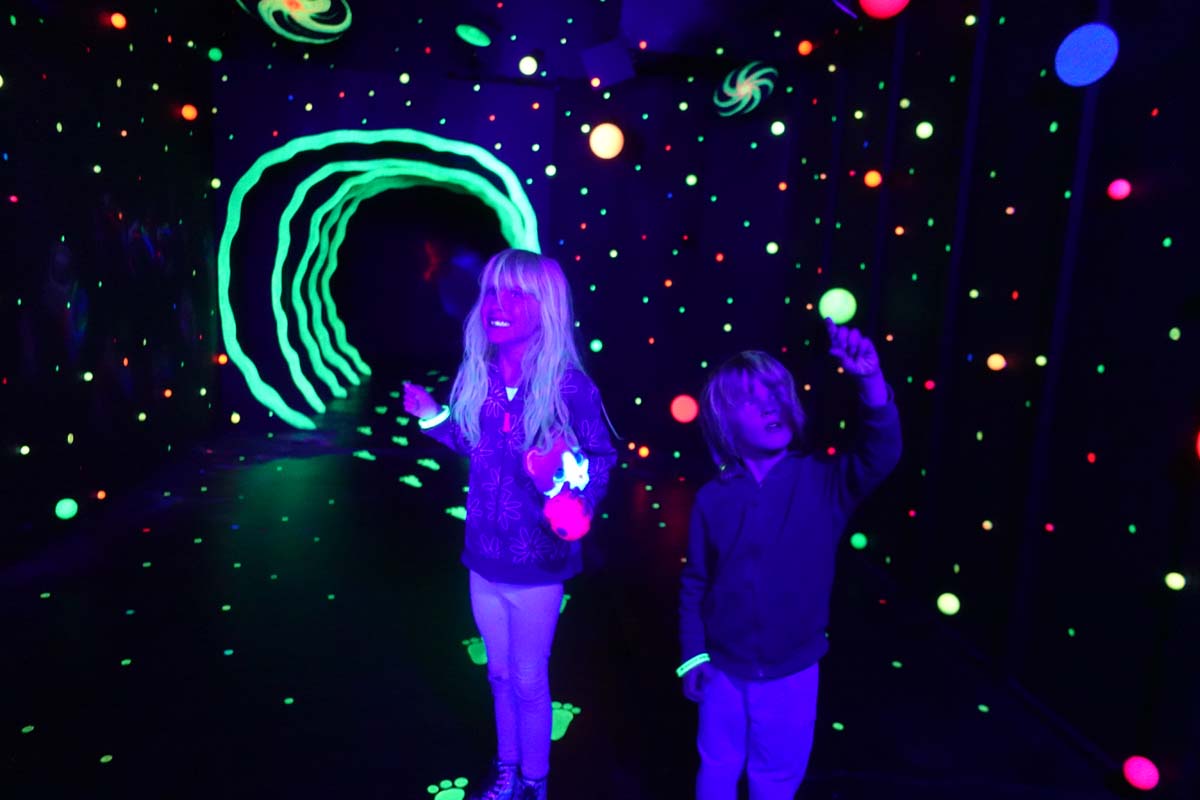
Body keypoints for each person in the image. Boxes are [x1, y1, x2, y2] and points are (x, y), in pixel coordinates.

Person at [404, 248, 617, 800]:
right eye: (493, 292)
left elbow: (600, 458)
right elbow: (473, 442)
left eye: (517, 295)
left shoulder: (570, 388)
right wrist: (433, 416)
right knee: (498, 676)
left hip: (538, 564)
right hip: (483, 558)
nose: (499, 305)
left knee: (527, 677)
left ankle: (534, 781)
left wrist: (577, 502)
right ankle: (507, 769)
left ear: (546, 308)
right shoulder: (479, 375)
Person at [678, 318, 902, 799]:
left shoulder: (823, 482)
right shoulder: (712, 499)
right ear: (723, 420)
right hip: (722, 668)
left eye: (776, 392)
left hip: (793, 671)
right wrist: (693, 655)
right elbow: (696, 582)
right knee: (717, 765)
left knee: (775, 777)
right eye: (751, 399)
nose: (770, 404)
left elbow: (880, 454)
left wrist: (870, 380)